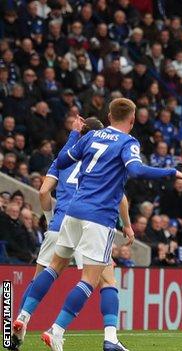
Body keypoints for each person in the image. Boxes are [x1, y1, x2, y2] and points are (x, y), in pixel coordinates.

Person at [12, 98, 182, 351]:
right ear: (132, 120)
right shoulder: (128, 142)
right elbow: (137, 171)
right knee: (90, 280)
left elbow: (62, 160)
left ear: (108, 116)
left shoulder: (90, 137)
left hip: (72, 212)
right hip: (99, 218)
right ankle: (57, 330)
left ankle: (22, 317)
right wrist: (171, 172)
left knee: (53, 269)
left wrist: (74, 134)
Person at [10, 117, 133, 351]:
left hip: (60, 225)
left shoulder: (65, 156)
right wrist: (126, 225)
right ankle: (108, 337)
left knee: (43, 275)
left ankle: (19, 321)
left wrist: (50, 220)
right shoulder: (101, 158)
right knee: (106, 279)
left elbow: (44, 191)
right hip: (88, 221)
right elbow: (121, 198)